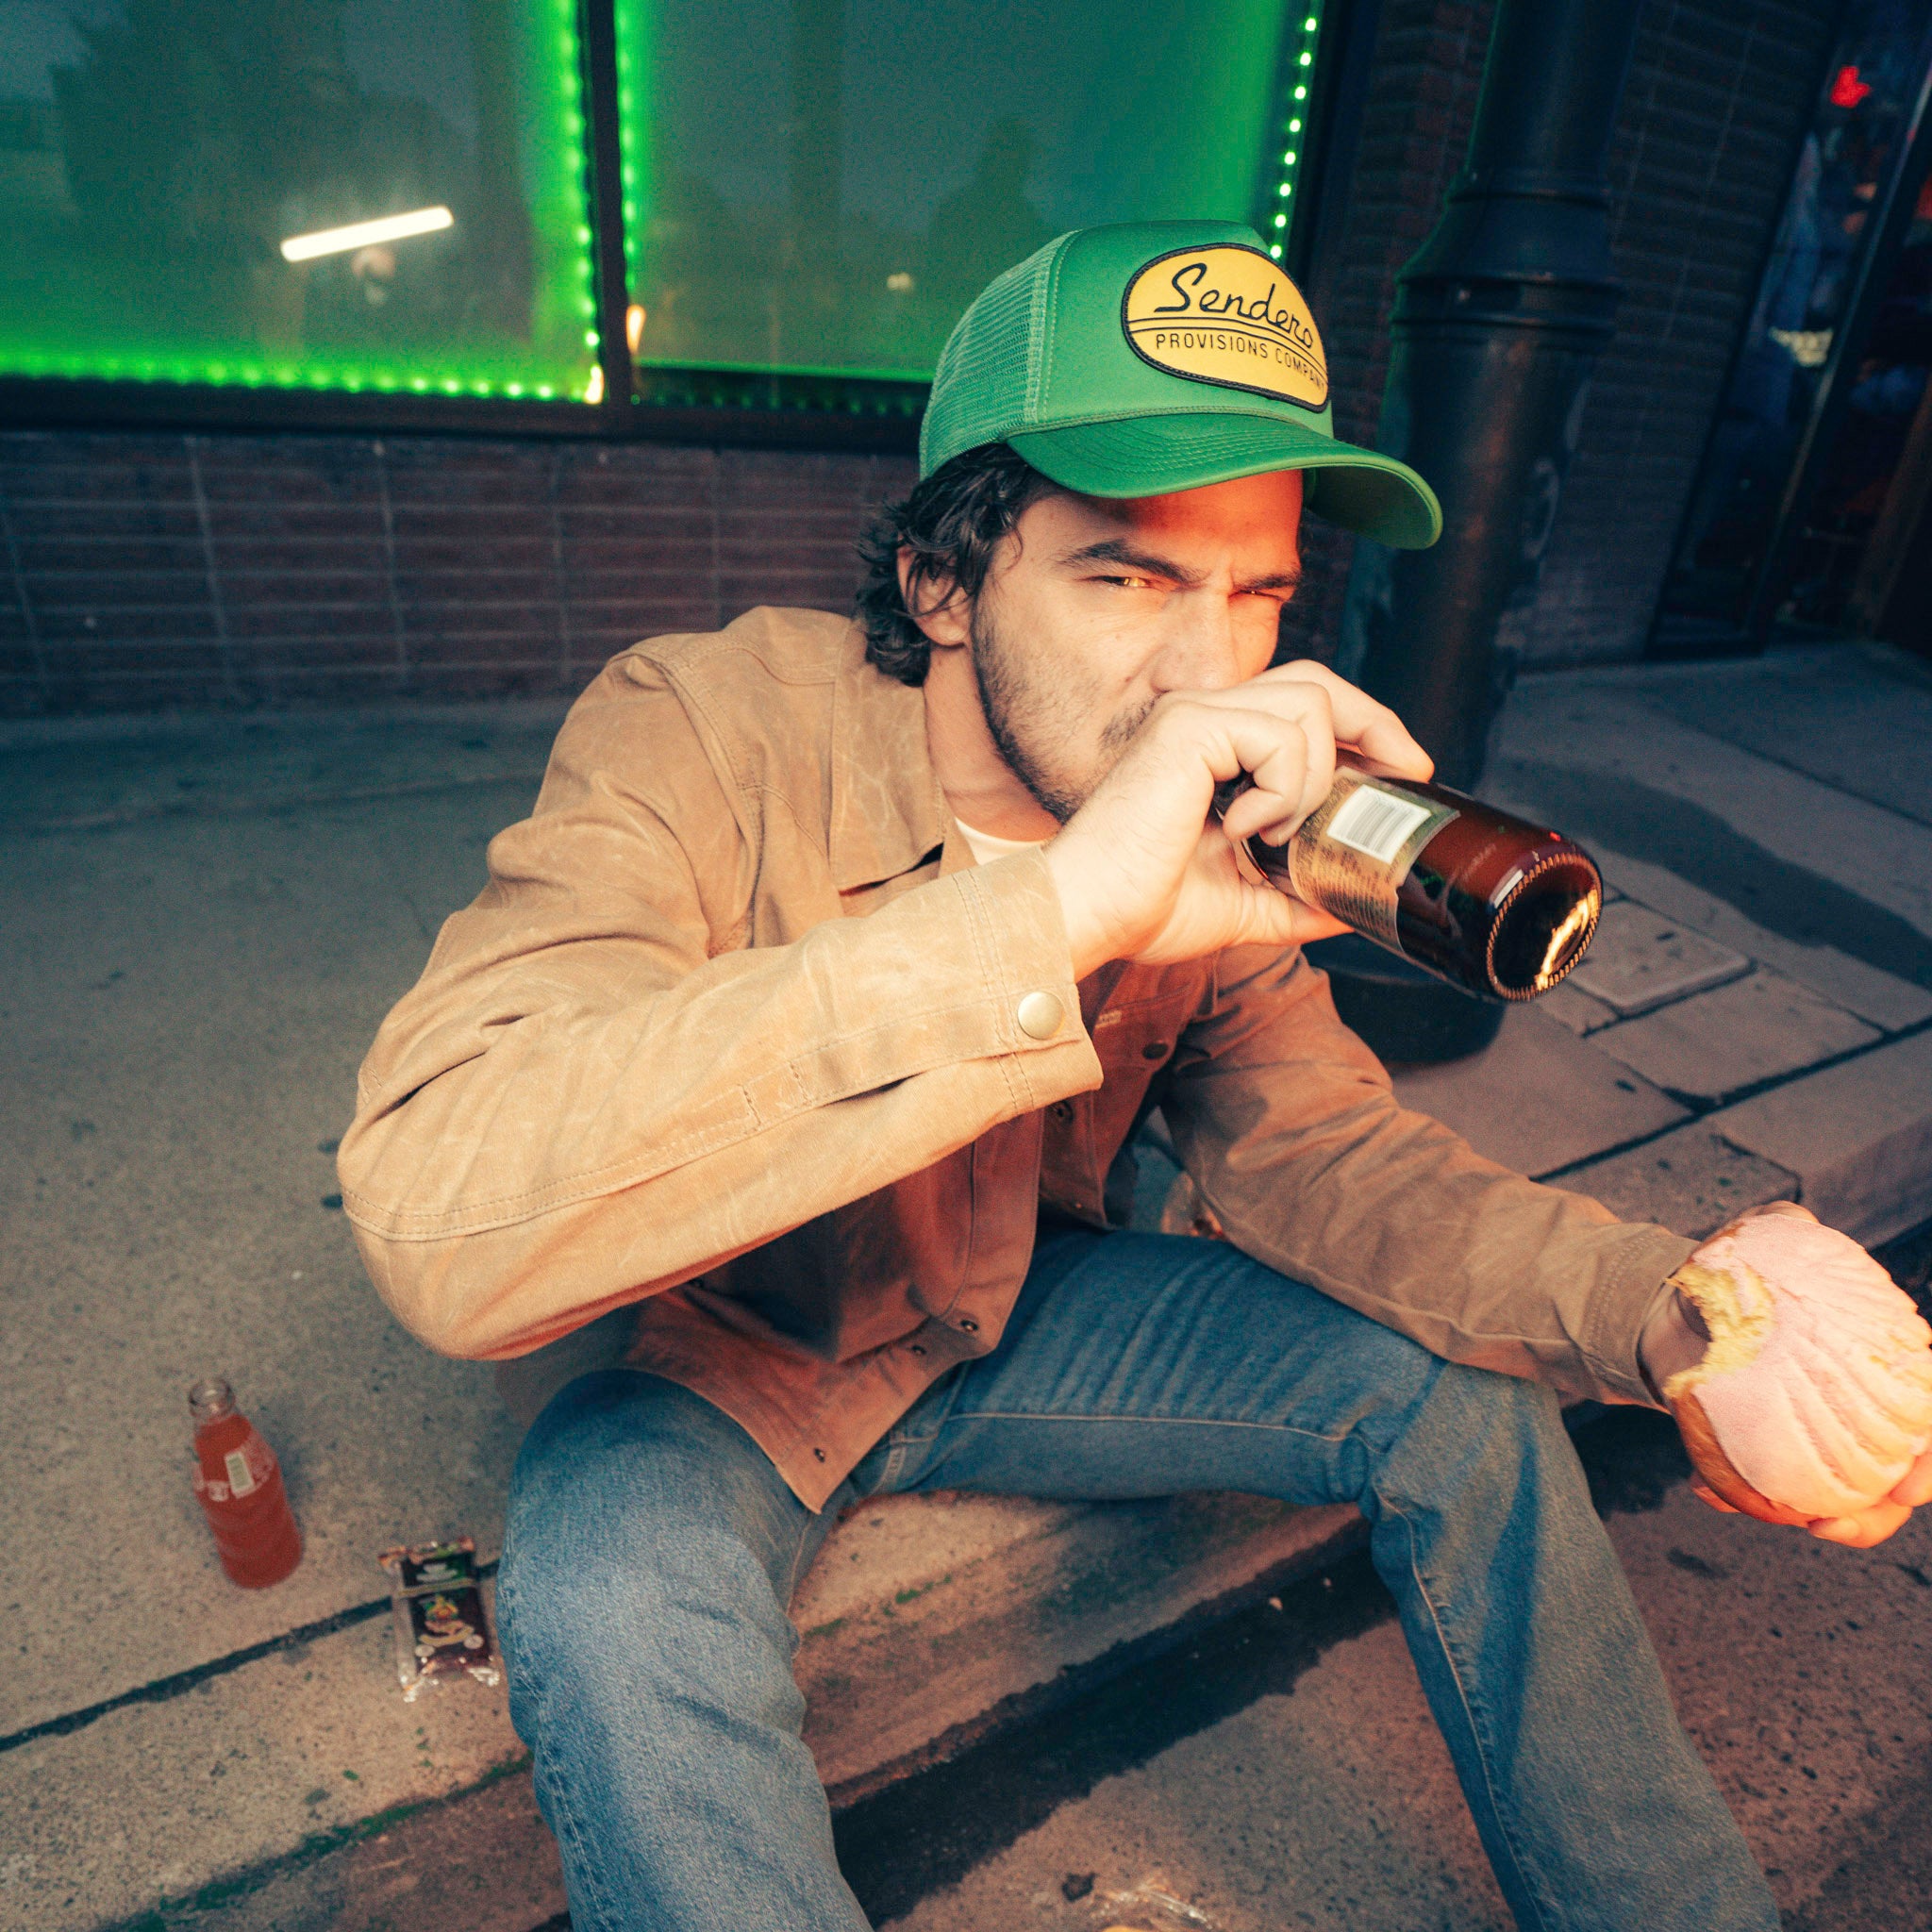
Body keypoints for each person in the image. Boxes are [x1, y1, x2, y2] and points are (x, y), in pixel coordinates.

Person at [339, 222, 1928, 1931]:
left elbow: (1324, 1151)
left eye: (1259, 593)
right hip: (729, 1351)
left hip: (1022, 1308)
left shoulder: (1219, 816)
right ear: (941, 585)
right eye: (1129, 577)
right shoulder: (706, 724)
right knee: (600, 1593)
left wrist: (1680, 1312)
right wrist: (1059, 914)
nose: (1208, 673)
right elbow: (440, 1204)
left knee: (1463, 1396)